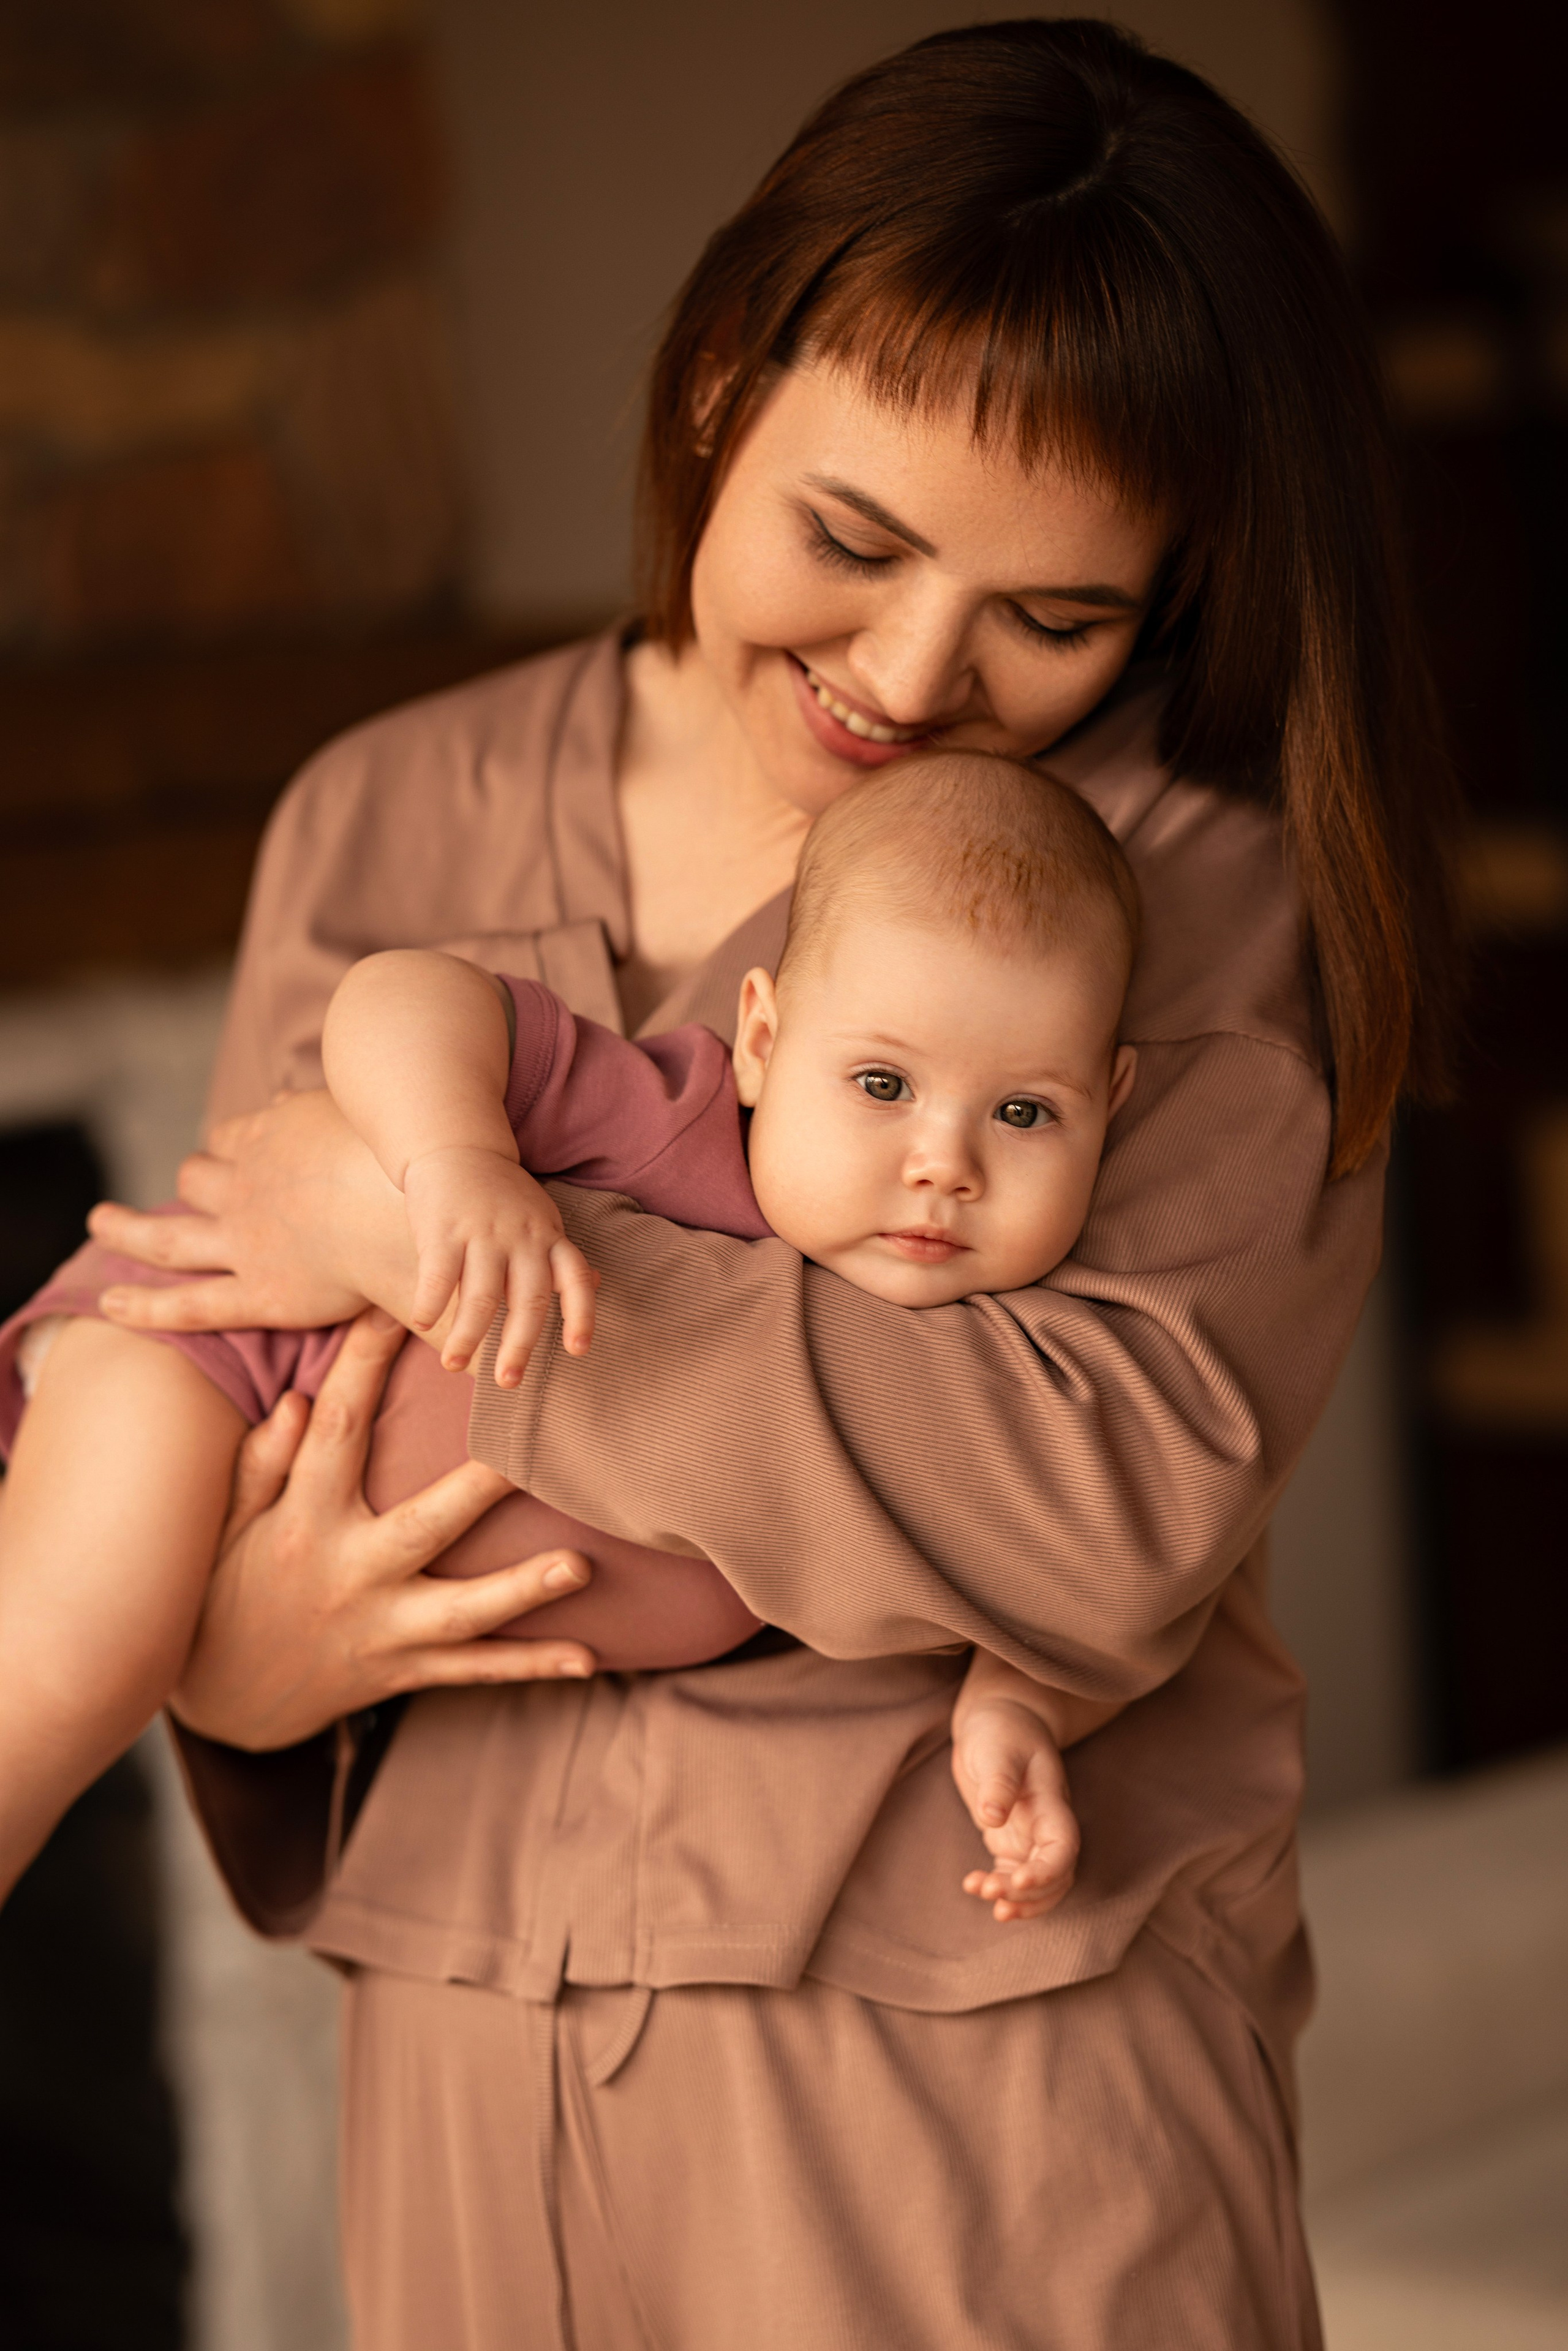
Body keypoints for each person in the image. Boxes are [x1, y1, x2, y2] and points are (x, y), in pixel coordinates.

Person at [1, 21, 1458, 2347]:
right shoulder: (385, 816)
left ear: (1171, 597)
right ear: (715, 392)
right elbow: (243, 1388)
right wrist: (236, 1670)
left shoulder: (1179, 896)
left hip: (976, 2112)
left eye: (1055, 618)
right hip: (471, 2096)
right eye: (852, 540)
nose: (912, 669)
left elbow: (1083, 1494)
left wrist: (406, 1235)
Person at [0, 752, 1136, 1928]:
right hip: (210, 1352)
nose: (944, 1164)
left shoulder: (995, 1373)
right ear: (761, 1038)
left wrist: (1020, 1705)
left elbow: (1053, 1585)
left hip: (363, 1618)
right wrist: (455, 1159)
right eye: (883, 1083)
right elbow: (400, 995)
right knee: (72, 1667)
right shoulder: (675, 1126)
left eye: (1024, 1111)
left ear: (1112, 1103)